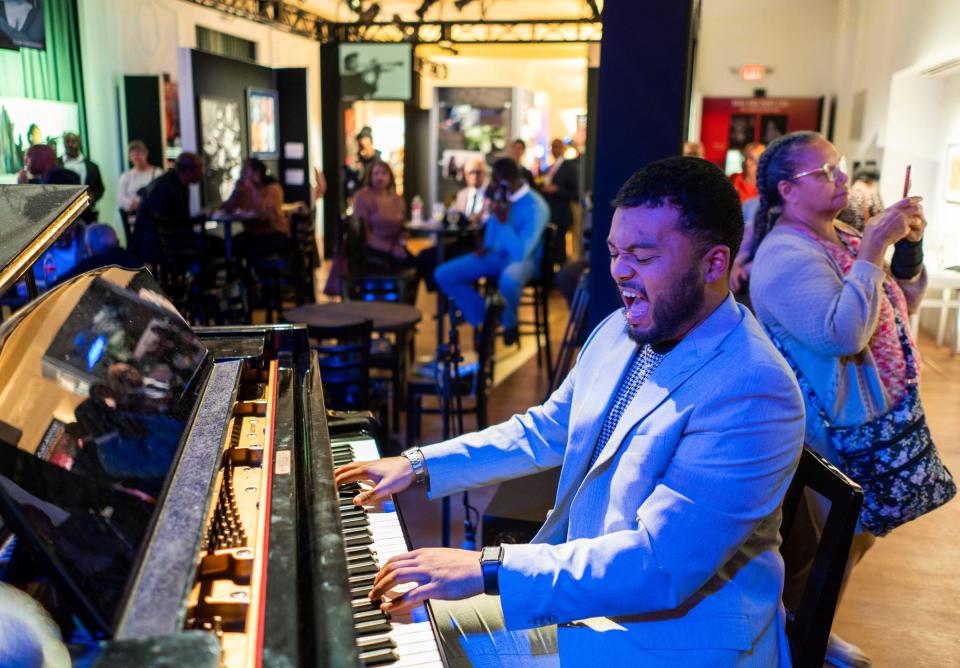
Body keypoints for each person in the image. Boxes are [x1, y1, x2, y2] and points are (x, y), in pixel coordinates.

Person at [337, 156, 805, 666]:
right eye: (614, 252)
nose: (620, 270)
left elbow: (659, 566)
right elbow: (545, 430)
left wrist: (488, 567)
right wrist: (419, 463)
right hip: (595, 602)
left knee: (404, 647)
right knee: (393, 623)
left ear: (714, 264)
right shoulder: (623, 330)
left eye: (643, 256)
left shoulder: (754, 388)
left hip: (673, 641)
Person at [748, 131, 927, 668]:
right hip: (831, 426)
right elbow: (844, 334)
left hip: (870, 417)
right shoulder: (783, 254)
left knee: (856, 534)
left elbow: (904, 298)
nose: (843, 179)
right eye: (825, 172)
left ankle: (812, 629)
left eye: (840, 167)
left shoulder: (841, 236)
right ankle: (799, 637)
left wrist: (908, 246)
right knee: (826, 542)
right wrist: (874, 246)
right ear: (786, 190)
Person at [435, 157, 549, 345]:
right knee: (444, 274)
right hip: (496, 255)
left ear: (510, 180)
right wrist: (486, 245)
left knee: (509, 280)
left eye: (497, 180)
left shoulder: (536, 206)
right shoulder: (502, 197)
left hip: (526, 260)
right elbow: (493, 233)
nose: (493, 184)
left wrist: (504, 222)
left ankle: (508, 322)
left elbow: (521, 252)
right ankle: (486, 318)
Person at [131, 152, 204, 264]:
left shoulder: (176, 183)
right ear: (188, 171)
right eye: (199, 168)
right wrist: (199, 219)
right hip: (158, 244)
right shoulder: (167, 187)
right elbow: (166, 221)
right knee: (208, 246)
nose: (202, 173)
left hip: (159, 240)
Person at [221, 157, 290, 261]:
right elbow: (228, 208)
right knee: (228, 246)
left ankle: (251, 275)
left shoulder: (273, 189)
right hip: (253, 233)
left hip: (274, 233)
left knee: (248, 248)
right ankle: (239, 273)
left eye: (245, 171)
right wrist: (236, 190)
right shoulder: (244, 189)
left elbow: (264, 214)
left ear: (257, 173)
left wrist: (252, 188)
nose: (242, 175)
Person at [351, 160, 413, 273]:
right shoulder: (363, 196)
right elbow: (362, 233)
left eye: (384, 173)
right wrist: (389, 248)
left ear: (390, 177)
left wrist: (399, 244)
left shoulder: (398, 199)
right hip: (372, 247)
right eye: (376, 173)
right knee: (397, 263)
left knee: (418, 263)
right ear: (370, 176)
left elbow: (402, 228)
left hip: (395, 245)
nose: (380, 177)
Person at [54, 223, 143, 285]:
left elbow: (56, 286)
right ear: (117, 242)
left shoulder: (89, 266)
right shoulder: (133, 260)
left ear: (90, 249)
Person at [541, 138, 581, 264]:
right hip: (550, 211)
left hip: (562, 212)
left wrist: (557, 190)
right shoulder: (549, 168)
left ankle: (561, 274)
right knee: (551, 243)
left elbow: (575, 193)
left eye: (558, 147)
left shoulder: (569, 168)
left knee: (560, 244)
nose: (555, 150)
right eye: (553, 147)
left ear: (563, 149)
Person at [61, 132, 105, 221]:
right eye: (67, 141)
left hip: (87, 213)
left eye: (73, 141)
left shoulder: (92, 166)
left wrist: (92, 197)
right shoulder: (57, 165)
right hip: (63, 215)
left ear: (80, 143)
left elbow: (100, 188)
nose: (70, 144)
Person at [117, 140, 163, 216]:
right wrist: (133, 204)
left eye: (139, 153)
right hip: (133, 216)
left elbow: (162, 193)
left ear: (146, 153)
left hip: (154, 214)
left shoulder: (158, 173)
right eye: (132, 154)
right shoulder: (126, 176)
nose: (136, 157)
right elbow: (120, 197)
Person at [16, 144, 81, 186]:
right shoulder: (43, 177)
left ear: (39, 159)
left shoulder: (62, 178)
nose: (26, 164)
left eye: (27, 160)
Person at [454, 157, 489, 223]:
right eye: (471, 172)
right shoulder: (461, 195)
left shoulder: (491, 194)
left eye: (478, 172)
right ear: (466, 175)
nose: (475, 176)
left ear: (485, 174)